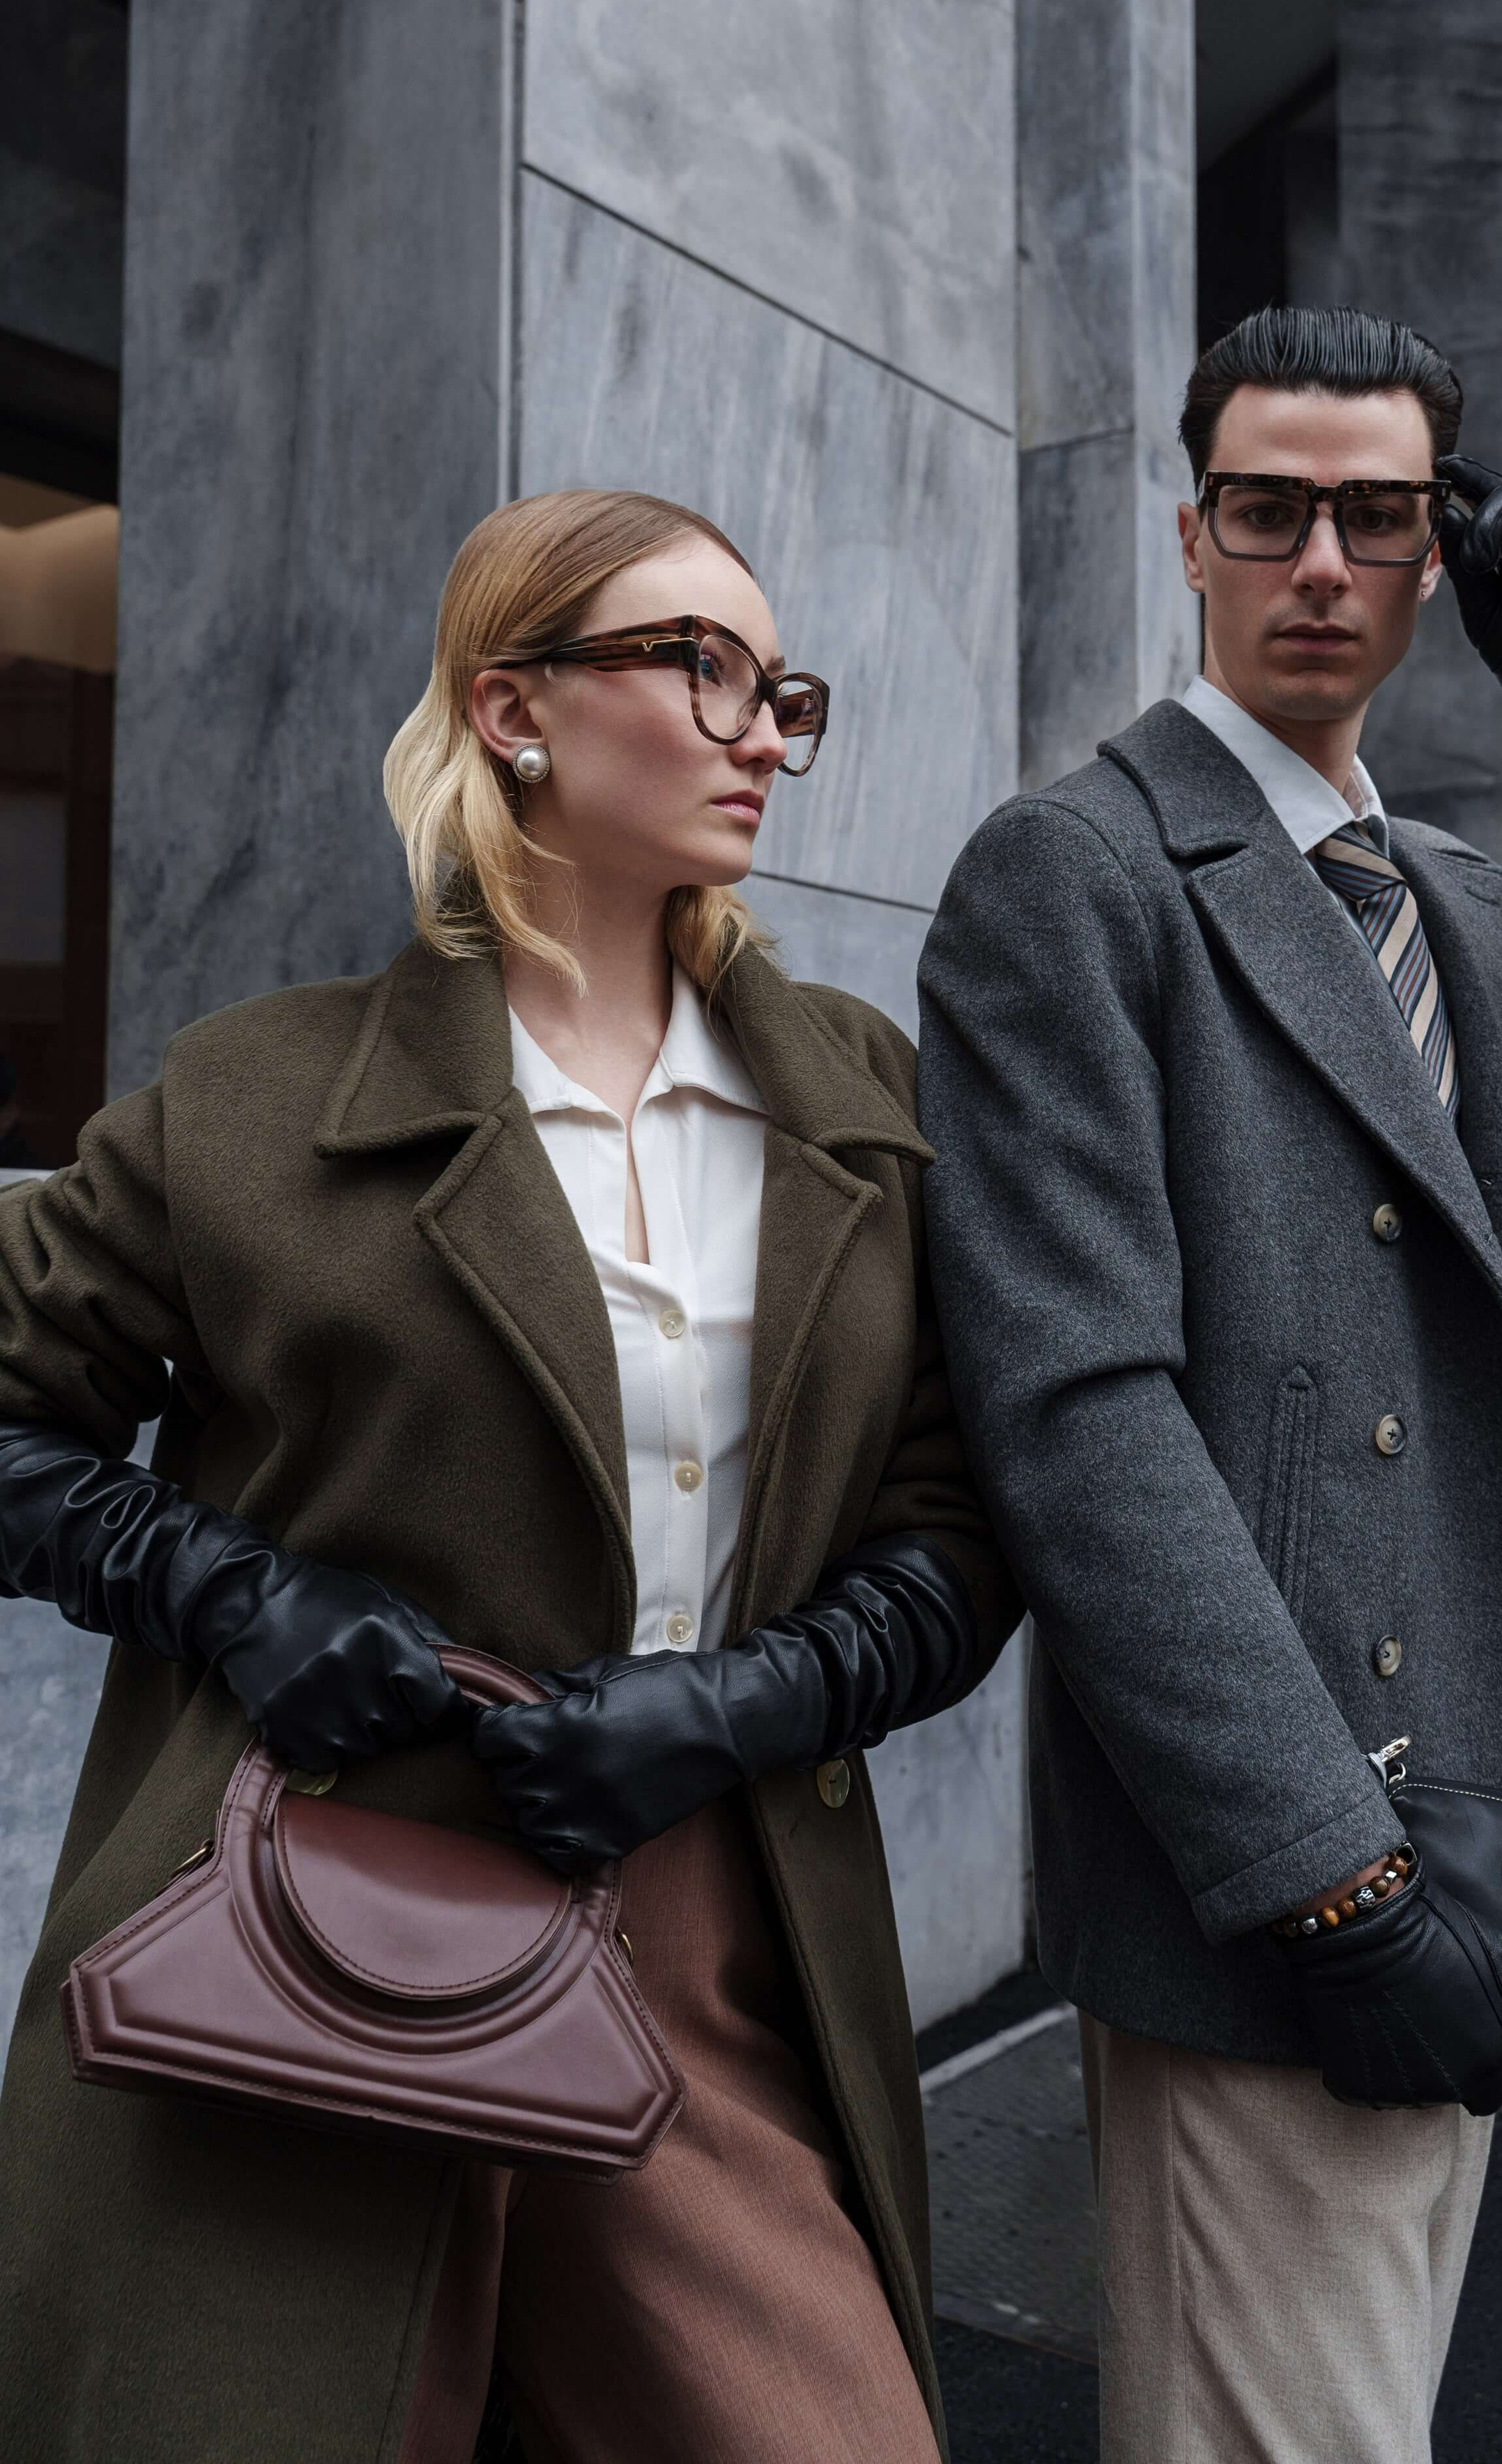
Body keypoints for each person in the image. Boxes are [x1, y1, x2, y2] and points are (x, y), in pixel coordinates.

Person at [0, 488, 1016, 2464]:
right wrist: (230, 1591)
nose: (760, 728)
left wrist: (752, 1700)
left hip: (705, 1929)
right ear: (511, 708)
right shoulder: (253, 1096)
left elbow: (958, 1518)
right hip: (289, 1916)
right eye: (698, 665)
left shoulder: (860, 1103)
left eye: (781, 689)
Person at [917, 304, 1502, 2464]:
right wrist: (1329, 1876)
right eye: (1269, 508)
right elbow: (1079, 1418)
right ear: (1189, 534)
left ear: (1435, 561)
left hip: (1485, 1824)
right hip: (1284, 1859)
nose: (1320, 561)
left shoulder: (1462, 904)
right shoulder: (1074, 870)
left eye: (1377, 517)